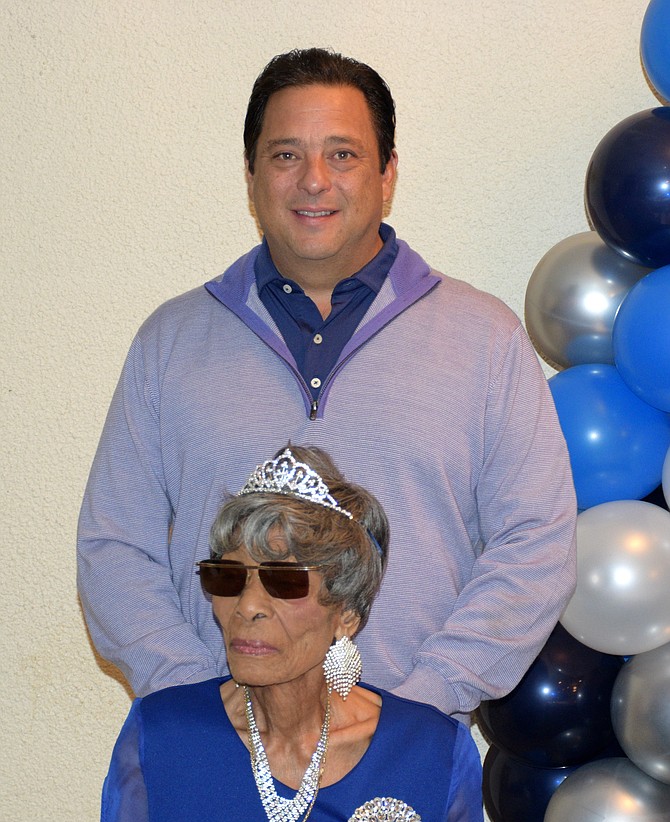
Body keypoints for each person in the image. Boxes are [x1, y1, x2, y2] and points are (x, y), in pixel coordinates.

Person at [77, 47, 576, 721]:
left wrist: (425, 704)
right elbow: (114, 545)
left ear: (387, 172)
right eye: (286, 155)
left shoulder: (485, 339)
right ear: (252, 174)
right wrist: (194, 701)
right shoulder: (171, 342)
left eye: (342, 154)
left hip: (410, 757)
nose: (314, 180)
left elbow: (536, 542)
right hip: (215, 759)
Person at [91, 445, 488, 822]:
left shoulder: (431, 752)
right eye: (227, 577)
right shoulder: (161, 737)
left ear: (346, 614)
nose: (247, 606)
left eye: (283, 583)